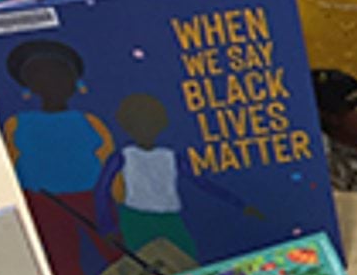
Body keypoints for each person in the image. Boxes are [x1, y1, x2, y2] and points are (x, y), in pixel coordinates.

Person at [1, 39, 118, 275]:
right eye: (39, 76)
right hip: (44, 200)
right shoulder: (18, 123)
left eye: (59, 75)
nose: (51, 82)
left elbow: (106, 158)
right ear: (29, 85)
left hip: (90, 196)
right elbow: (15, 158)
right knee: (60, 253)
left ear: (74, 82)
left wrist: (111, 198)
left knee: (112, 247)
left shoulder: (88, 121)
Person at [95, 93, 260, 264]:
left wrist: (241, 205)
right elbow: (102, 190)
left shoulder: (170, 156)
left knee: (186, 260)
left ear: (160, 124)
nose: (145, 128)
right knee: (147, 266)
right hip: (136, 219)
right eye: (139, 123)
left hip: (169, 218)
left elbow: (203, 183)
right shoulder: (123, 156)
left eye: (151, 122)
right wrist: (107, 225)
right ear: (129, 126)